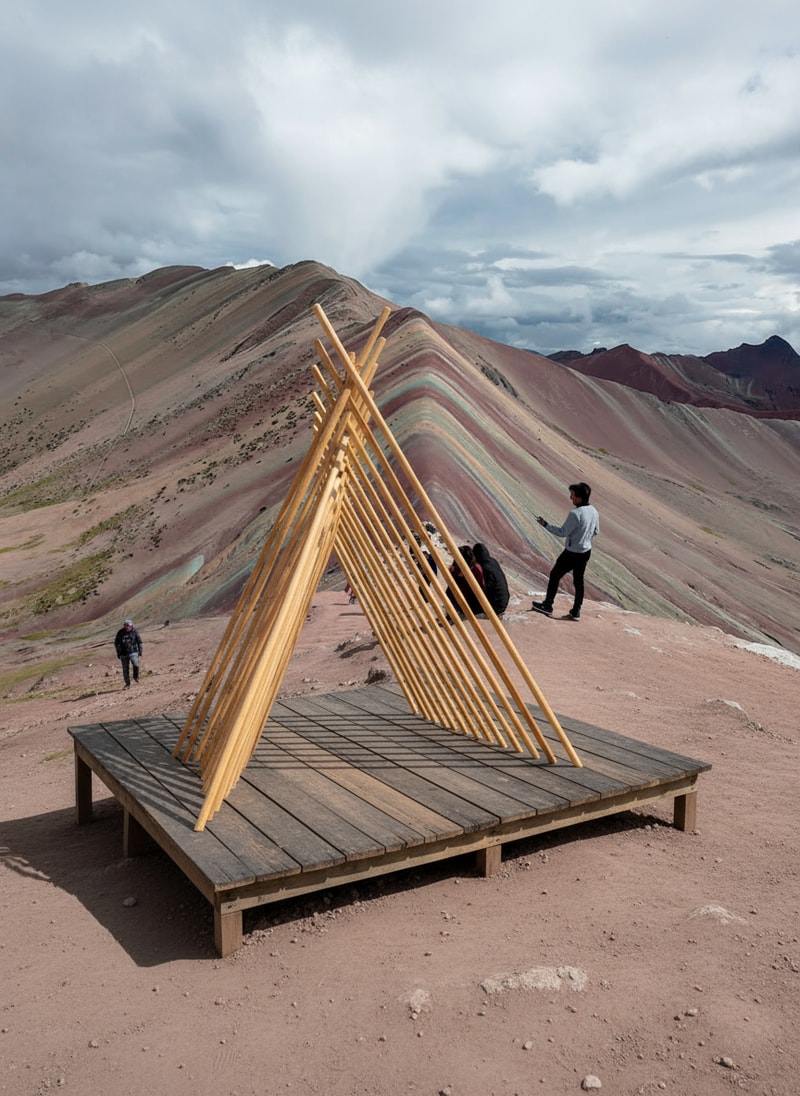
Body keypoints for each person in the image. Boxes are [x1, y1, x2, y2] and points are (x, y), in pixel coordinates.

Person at [531, 482, 599, 621]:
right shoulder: (594, 511)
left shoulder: (575, 514)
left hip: (572, 553)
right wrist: (584, 538)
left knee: (555, 575)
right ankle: (576, 611)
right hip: (585, 551)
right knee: (578, 581)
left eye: (573, 495)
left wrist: (546, 525)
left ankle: (547, 605)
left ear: (579, 498)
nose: (571, 498)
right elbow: (596, 531)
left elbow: (563, 532)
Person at [446, 544, 485, 617]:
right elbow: (453, 571)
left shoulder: (476, 568)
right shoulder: (457, 561)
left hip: (468, 594)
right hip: (456, 587)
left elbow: (480, 587)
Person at [472, 543, 510, 615]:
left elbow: (488, 588)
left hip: (497, 605)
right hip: (503, 601)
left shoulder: (486, 568)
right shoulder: (492, 562)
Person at [114, 618, 143, 687]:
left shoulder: (134, 631)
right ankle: (127, 683)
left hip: (133, 651)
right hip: (123, 654)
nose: (127, 627)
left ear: (131, 626)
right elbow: (116, 643)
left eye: (128, 626)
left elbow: (139, 641)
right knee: (125, 669)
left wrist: (140, 651)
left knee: (136, 664)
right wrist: (118, 652)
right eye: (125, 625)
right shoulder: (120, 633)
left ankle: (135, 677)